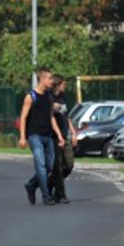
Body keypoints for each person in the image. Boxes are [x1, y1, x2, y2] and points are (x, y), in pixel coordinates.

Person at [18, 68, 63, 205]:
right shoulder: (31, 96)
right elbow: (23, 117)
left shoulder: (49, 96)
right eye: (49, 78)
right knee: (41, 165)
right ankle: (46, 196)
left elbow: (51, 117)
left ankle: (31, 185)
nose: (51, 81)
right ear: (42, 79)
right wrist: (22, 137)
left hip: (48, 135)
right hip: (34, 135)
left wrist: (59, 135)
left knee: (49, 166)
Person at [49, 74, 76, 204]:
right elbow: (51, 117)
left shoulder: (63, 97)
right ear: (58, 84)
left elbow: (67, 116)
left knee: (69, 165)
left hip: (65, 135)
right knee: (58, 166)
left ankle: (50, 182)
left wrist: (73, 132)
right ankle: (61, 194)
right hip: (54, 136)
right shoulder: (50, 97)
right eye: (64, 84)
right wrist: (58, 134)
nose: (65, 86)